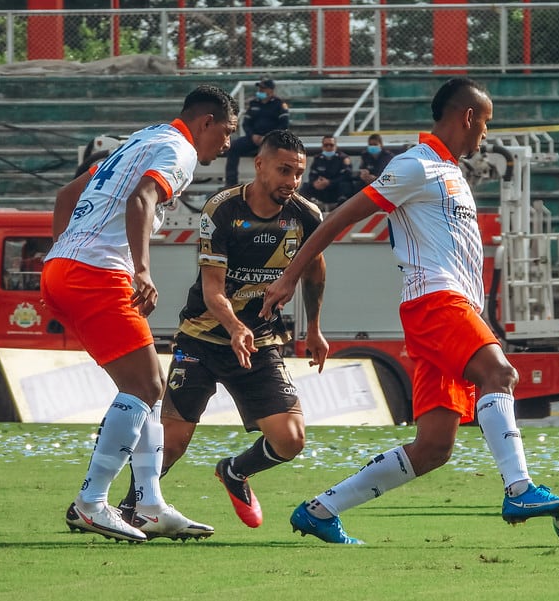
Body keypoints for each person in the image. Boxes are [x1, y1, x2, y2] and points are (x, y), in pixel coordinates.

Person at [261, 77, 559, 545]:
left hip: (452, 305)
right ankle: (520, 489)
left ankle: (320, 510)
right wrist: (289, 276)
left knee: (434, 447)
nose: (485, 135)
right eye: (485, 123)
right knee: (501, 375)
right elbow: (341, 216)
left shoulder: (450, 172)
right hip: (435, 301)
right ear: (467, 116)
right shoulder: (416, 165)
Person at [41, 85, 239, 542]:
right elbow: (142, 199)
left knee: (145, 390)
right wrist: (142, 270)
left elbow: (66, 195)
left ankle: (149, 504)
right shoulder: (180, 149)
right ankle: (90, 503)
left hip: (65, 268)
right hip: (98, 272)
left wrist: (60, 255)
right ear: (206, 121)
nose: (227, 143)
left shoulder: (139, 139)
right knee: (147, 386)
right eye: (226, 132)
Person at [116, 130, 327, 530]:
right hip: (202, 338)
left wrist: (314, 328)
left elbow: (315, 269)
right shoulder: (224, 209)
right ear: (260, 165)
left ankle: (234, 471)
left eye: (298, 173)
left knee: (291, 439)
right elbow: (213, 288)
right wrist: (233, 326)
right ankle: (130, 509)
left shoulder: (306, 215)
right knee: (173, 443)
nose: (292, 182)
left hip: (260, 341)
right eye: (284, 170)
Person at [224, 77, 290, 187]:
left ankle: (273, 182)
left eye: (263, 88)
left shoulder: (280, 105)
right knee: (234, 147)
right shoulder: (254, 103)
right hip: (253, 139)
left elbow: (284, 125)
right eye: (259, 88)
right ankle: (231, 183)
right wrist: (252, 135)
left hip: (272, 140)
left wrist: (268, 137)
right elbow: (246, 123)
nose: (260, 90)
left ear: (271, 90)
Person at [299, 135, 353, 211]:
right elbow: (312, 175)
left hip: (335, 188)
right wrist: (315, 183)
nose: (328, 147)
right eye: (326, 145)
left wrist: (330, 182)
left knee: (345, 185)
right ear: (322, 146)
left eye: (331, 145)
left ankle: (340, 209)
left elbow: (347, 175)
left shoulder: (343, 158)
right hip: (322, 188)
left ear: (336, 146)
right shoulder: (317, 158)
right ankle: (306, 209)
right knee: (305, 187)